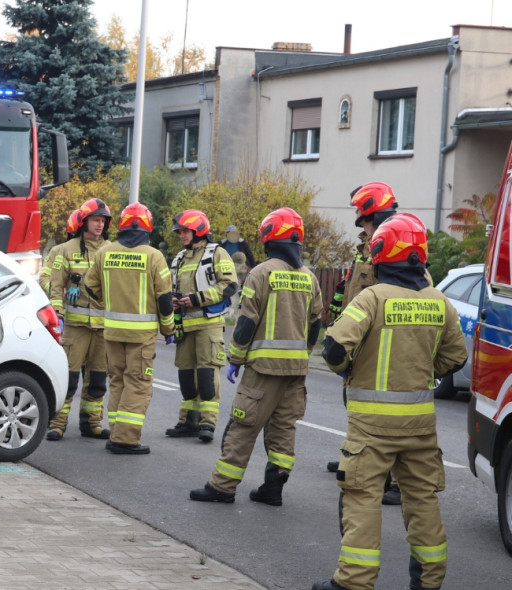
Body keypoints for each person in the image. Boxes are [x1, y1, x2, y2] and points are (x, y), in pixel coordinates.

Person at [313, 213, 467, 590]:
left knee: (363, 498)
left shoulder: (372, 297)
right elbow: (456, 358)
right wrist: (423, 370)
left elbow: (333, 348)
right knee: (422, 502)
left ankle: (354, 583)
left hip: (371, 427)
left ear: (383, 254)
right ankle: (429, 582)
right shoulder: (439, 301)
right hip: (420, 426)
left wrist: (348, 370)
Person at [189, 208, 323, 504]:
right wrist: (304, 355)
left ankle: (222, 487)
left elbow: (246, 322)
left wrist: (235, 359)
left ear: (269, 238)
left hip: (263, 371)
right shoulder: (310, 277)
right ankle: (273, 489)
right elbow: (316, 325)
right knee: (283, 429)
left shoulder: (260, 273)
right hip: (296, 371)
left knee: (243, 427)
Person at [325, 182, 403, 506]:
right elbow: (351, 289)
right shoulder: (366, 246)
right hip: (359, 337)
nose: (357, 217)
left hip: (382, 340)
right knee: (357, 406)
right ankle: (358, 457)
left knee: (388, 414)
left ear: (373, 212)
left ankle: (396, 481)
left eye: (361, 212)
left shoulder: (395, 243)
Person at [83, 202, 175, 454]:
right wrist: (168, 330)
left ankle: (116, 432)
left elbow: (89, 286)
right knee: (138, 384)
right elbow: (165, 300)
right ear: (147, 226)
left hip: (111, 332)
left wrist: (106, 302)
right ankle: (125, 440)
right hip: (141, 336)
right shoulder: (155, 256)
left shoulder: (105, 252)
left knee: (117, 382)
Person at [165, 209, 238, 443]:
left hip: (208, 325)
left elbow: (229, 285)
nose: (181, 236)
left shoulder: (218, 253)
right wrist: (173, 300)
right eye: (179, 232)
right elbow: (168, 286)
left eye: (184, 231)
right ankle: (188, 421)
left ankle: (208, 424)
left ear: (198, 230)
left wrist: (196, 298)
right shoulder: (179, 258)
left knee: (207, 375)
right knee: (186, 376)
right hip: (184, 326)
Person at [45, 199, 112, 441]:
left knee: (97, 379)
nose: (100, 225)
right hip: (75, 327)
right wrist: (58, 315)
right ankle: (57, 423)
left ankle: (91, 423)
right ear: (84, 222)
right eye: (96, 220)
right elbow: (56, 286)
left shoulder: (111, 249)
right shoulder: (66, 250)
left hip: (102, 328)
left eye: (103, 221)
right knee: (69, 378)